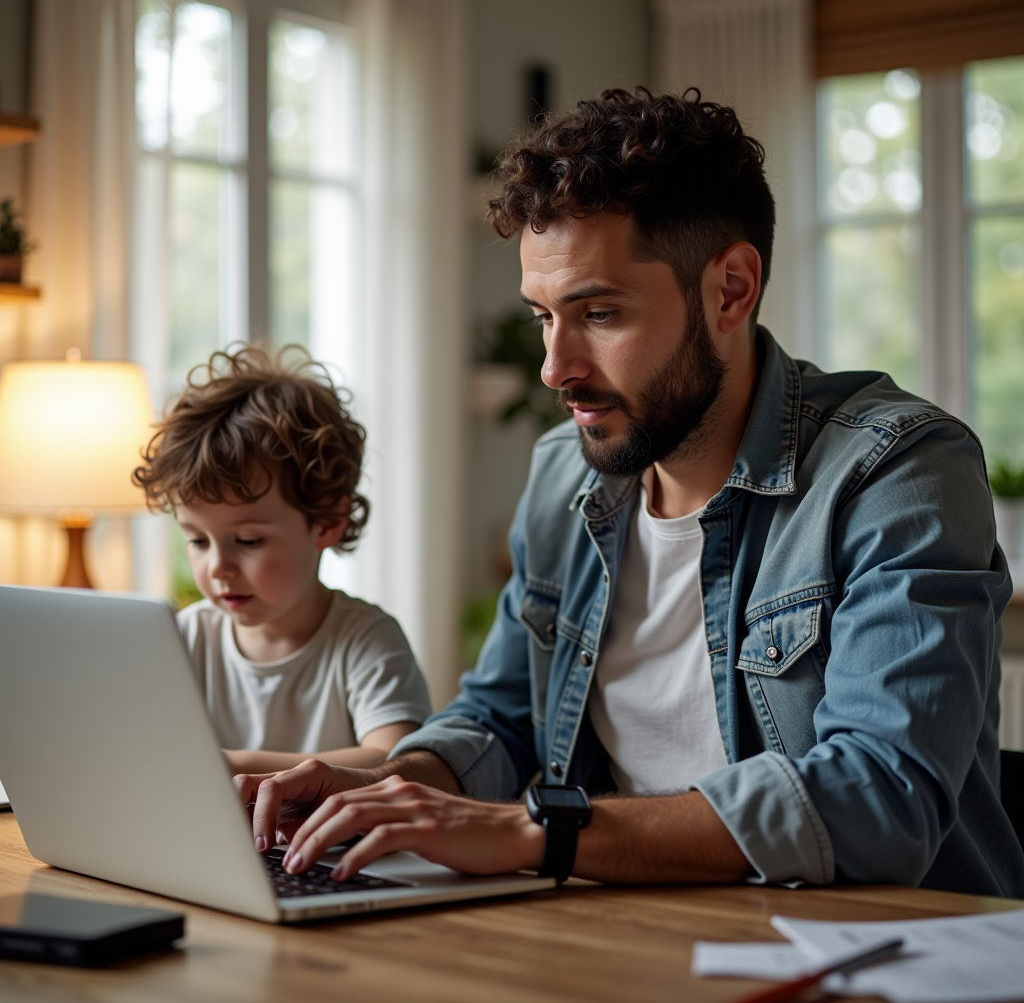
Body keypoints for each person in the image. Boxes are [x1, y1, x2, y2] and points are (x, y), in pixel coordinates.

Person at [235, 88, 1024, 897]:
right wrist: (391, 789)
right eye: (544, 316)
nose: (555, 366)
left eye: (599, 313)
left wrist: (535, 832)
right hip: (624, 936)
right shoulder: (563, 473)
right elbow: (500, 716)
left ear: (731, 290)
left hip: (873, 958)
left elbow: (878, 799)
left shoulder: (898, 471)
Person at [133, 346, 432, 777]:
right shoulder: (187, 637)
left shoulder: (366, 640)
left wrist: (241, 766)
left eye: (248, 540)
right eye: (197, 540)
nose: (218, 567)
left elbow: (393, 759)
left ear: (328, 522)